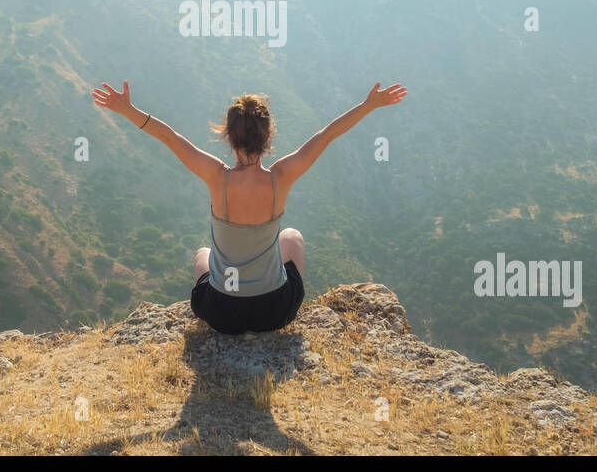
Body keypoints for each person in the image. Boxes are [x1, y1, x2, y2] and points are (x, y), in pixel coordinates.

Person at [91, 80, 408, 334]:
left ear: (228, 137)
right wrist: (369, 106)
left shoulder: (217, 177)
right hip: (273, 311)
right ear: (268, 135)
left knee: (203, 254)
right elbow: (326, 136)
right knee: (293, 238)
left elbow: (170, 138)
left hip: (221, 313)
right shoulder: (280, 178)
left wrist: (126, 109)